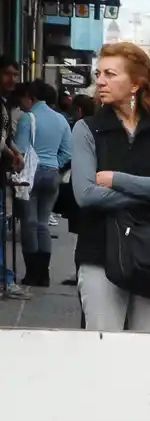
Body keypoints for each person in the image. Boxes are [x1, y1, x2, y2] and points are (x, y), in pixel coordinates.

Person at [71, 41, 150, 331]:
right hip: (99, 253)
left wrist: (117, 179)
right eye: (99, 74)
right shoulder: (87, 129)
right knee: (103, 345)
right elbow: (86, 195)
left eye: (110, 74)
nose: (100, 81)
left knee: (148, 348)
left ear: (136, 83)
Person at [13, 80, 72, 287]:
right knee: (43, 223)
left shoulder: (28, 118)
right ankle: (44, 274)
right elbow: (68, 151)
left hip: (31, 175)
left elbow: (20, 150)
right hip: (52, 174)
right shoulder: (61, 119)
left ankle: (32, 273)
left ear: (32, 97)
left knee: (29, 223)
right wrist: (54, 164)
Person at [0, 57, 29, 298]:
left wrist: (16, 153)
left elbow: (5, 137)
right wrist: (12, 153)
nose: (13, 79)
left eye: (16, 74)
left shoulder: (6, 103)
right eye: (7, 74)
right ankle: (4, 279)